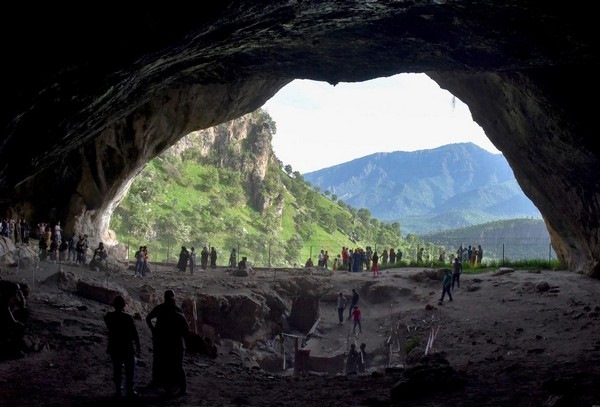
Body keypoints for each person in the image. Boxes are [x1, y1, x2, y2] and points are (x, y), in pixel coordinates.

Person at [146, 290, 189, 397]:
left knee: (162, 362)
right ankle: (179, 388)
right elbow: (185, 330)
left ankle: (160, 383)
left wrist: (153, 330)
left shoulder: (161, 309)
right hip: (173, 342)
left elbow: (148, 318)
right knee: (175, 365)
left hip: (163, 341)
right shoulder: (178, 312)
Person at [104, 295, 140, 398]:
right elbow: (134, 333)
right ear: (124, 305)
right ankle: (130, 390)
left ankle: (118, 389)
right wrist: (138, 345)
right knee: (130, 370)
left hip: (114, 346)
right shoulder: (128, 317)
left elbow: (106, 319)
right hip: (127, 347)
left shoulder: (109, 317)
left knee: (117, 369)